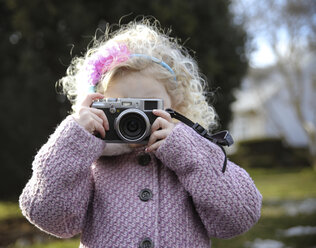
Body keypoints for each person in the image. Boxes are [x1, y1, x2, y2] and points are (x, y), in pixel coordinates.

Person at [19, 19, 262, 248]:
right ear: (96, 107)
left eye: (148, 105)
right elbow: (47, 215)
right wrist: (73, 140)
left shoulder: (190, 158)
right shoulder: (90, 163)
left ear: (176, 108)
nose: (133, 117)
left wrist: (189, 149)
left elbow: (241, 215)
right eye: (121, 107)